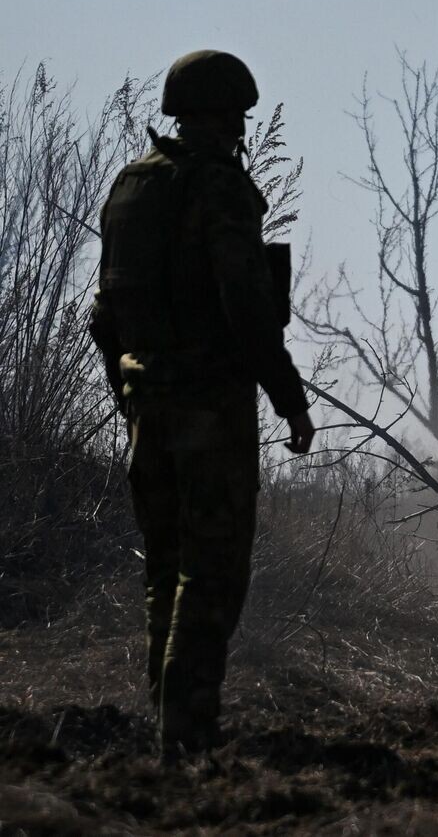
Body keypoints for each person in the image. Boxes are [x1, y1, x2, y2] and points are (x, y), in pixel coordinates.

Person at [89, 50, 315, 754]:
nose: (242, 132)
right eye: (238, 119)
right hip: (208, 406)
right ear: (222, 116)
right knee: (212, 572)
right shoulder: (217, 189)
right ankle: (187, 735)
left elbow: (105, 313)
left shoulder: (132, 187)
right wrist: (289, 398)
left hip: (145, 404)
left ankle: (169, 725)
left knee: (166, 568)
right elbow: (246, 309)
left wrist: (125, 390)